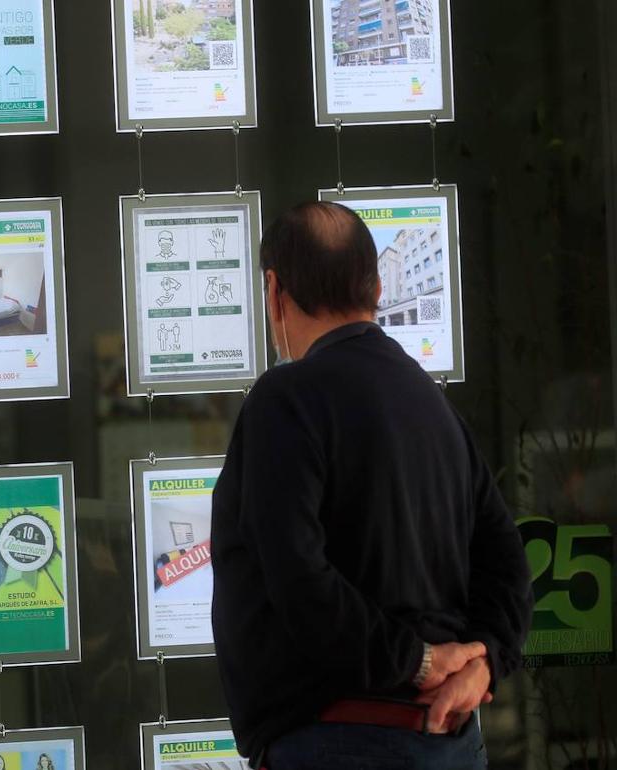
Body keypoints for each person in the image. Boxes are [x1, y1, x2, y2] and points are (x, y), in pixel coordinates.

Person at [211, 201, 533, 769]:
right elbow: (507, 563)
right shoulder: (431, 403)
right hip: (452, 744)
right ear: (378, 286)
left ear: (274, 290)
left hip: (338, 741)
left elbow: (299, 581)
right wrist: (481, 664)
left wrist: (419, 661)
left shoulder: (283, 402)